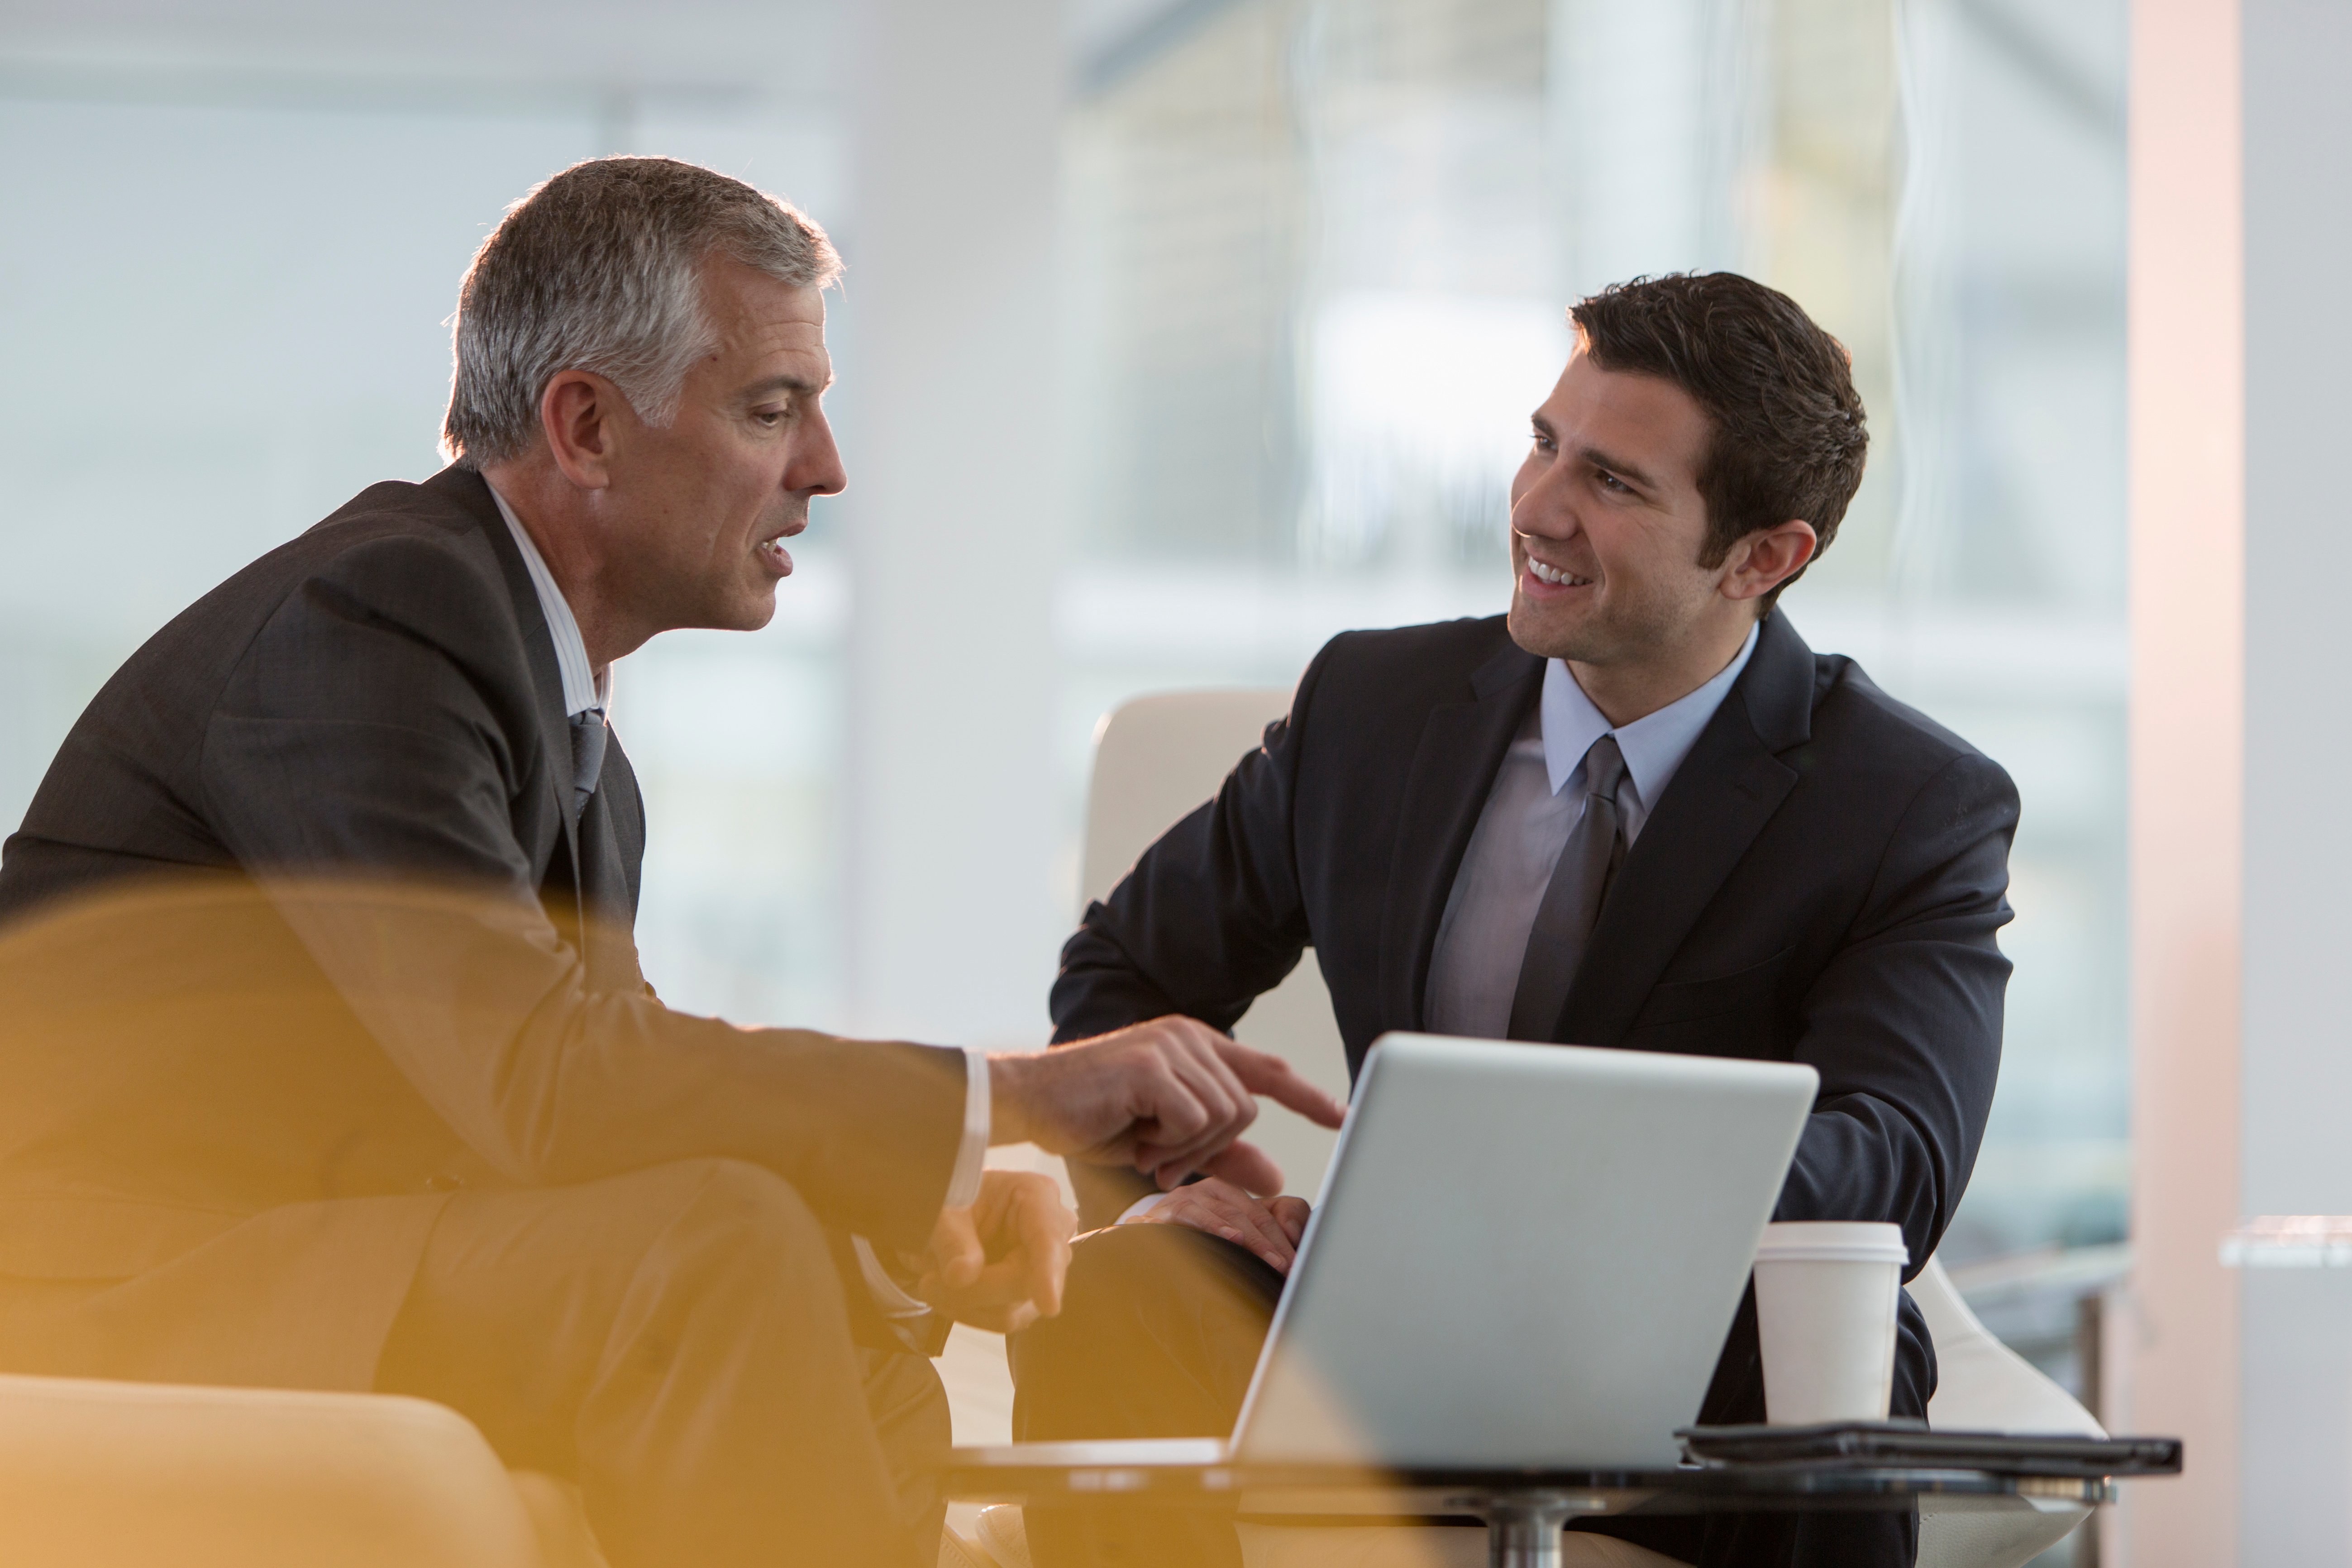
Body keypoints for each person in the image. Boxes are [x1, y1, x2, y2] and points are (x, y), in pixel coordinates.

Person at [0, 157, 1344, 1568]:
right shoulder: (382, 615)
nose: (824, 468)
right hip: (111, 1282)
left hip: (318, 1246)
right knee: (716, 1247)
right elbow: (546, 1080)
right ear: (585, 425)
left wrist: (917, 1220)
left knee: (787, 1239)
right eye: (774, 410)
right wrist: (1007, 1097)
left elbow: (609, 1099)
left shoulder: (570, 738)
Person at [1012, 272, 2017, 1568]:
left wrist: (1531, 1195)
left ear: (1765, 557)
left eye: (1615, 483)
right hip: (1375, 1329)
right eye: (1546, 445)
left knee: (1844, 1375)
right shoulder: (1368, 708)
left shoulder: (1909, 802)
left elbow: (1895, 1155)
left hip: (1707, 1352)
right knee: (1121, 1290)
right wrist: (1188, 1184)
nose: (1539, 508)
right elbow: (1127, 971)